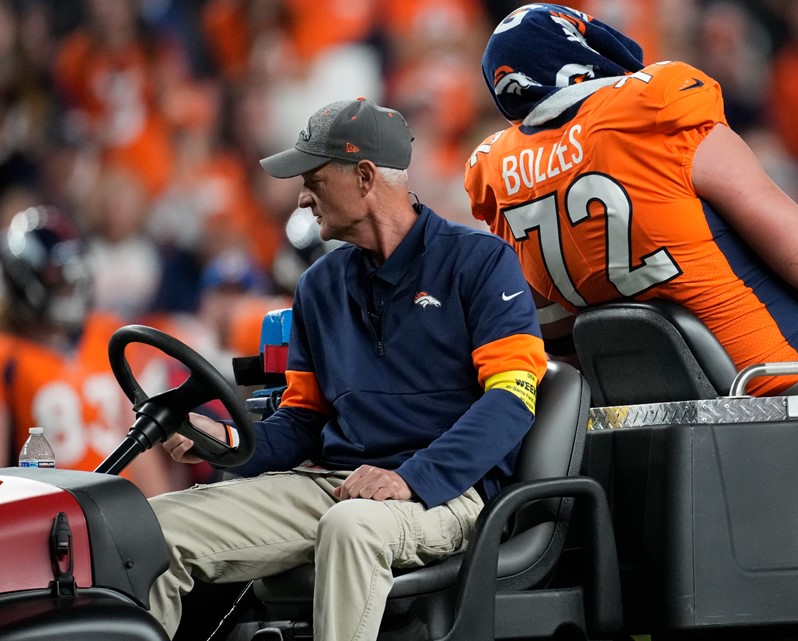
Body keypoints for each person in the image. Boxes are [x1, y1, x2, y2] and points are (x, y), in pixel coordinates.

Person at [147, 98, 547, 641]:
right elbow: (301, 422)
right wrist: (221, 438)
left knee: (349, 527)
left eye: (313, 178)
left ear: (364, 177)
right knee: (153, 528)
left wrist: (410, 479)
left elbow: (511, 401)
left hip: (446, 491)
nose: (302, 196)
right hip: (336, 486)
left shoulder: (481, 262)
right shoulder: (318, 285)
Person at [464, 3, 798, 396]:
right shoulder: (652, 108)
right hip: (781, 371)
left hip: (671, 397)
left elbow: (557, 334)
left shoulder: (500, 172)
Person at [0, 204, 180, 497]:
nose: (70, 289)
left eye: (73, 278)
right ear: (22, 280)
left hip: (120, 502)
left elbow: (138, 437)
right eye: (58, 279)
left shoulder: (108, 333)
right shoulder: (7, 355)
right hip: (51, 514)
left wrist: (161, 511)